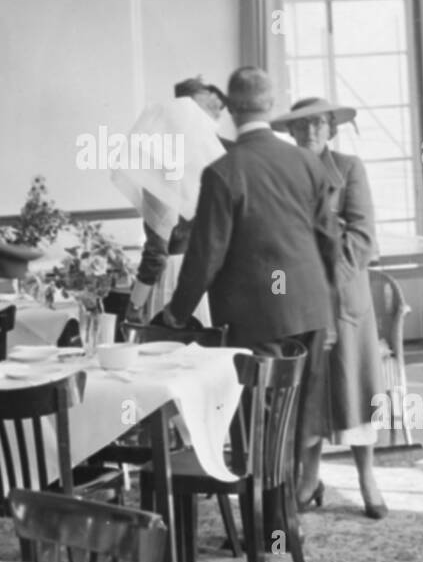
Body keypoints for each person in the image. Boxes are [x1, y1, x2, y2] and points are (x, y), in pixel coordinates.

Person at [158, 67, 338, 512]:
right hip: (312, 309)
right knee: (299, 416)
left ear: (232, 111)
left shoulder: (223, 172)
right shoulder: (308, 163)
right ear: (271, 105)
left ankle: (272, 526)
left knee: (261, 421)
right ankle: (285, 517)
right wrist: (327, 302)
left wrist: (176, 315)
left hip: (257, 317)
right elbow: (329, 240)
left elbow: (206, 257)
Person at [273, 97, 388, 518]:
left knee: (354, 387)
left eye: (319, 124)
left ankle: (367, 478)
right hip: (300, 300)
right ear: (289, 132)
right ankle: (309, 477)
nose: (310, 132)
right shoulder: (280, 173)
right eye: (302, 125)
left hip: (344, 298)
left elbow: (363, 236)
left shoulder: (350, 167)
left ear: (331, 129)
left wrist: (325, 274)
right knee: (311, 393)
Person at [125, 76, 231, 326]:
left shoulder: (161, 173)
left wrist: (135, 303)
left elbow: (156, 253)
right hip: (207, 279)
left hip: (173, 281)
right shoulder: (215, 164)